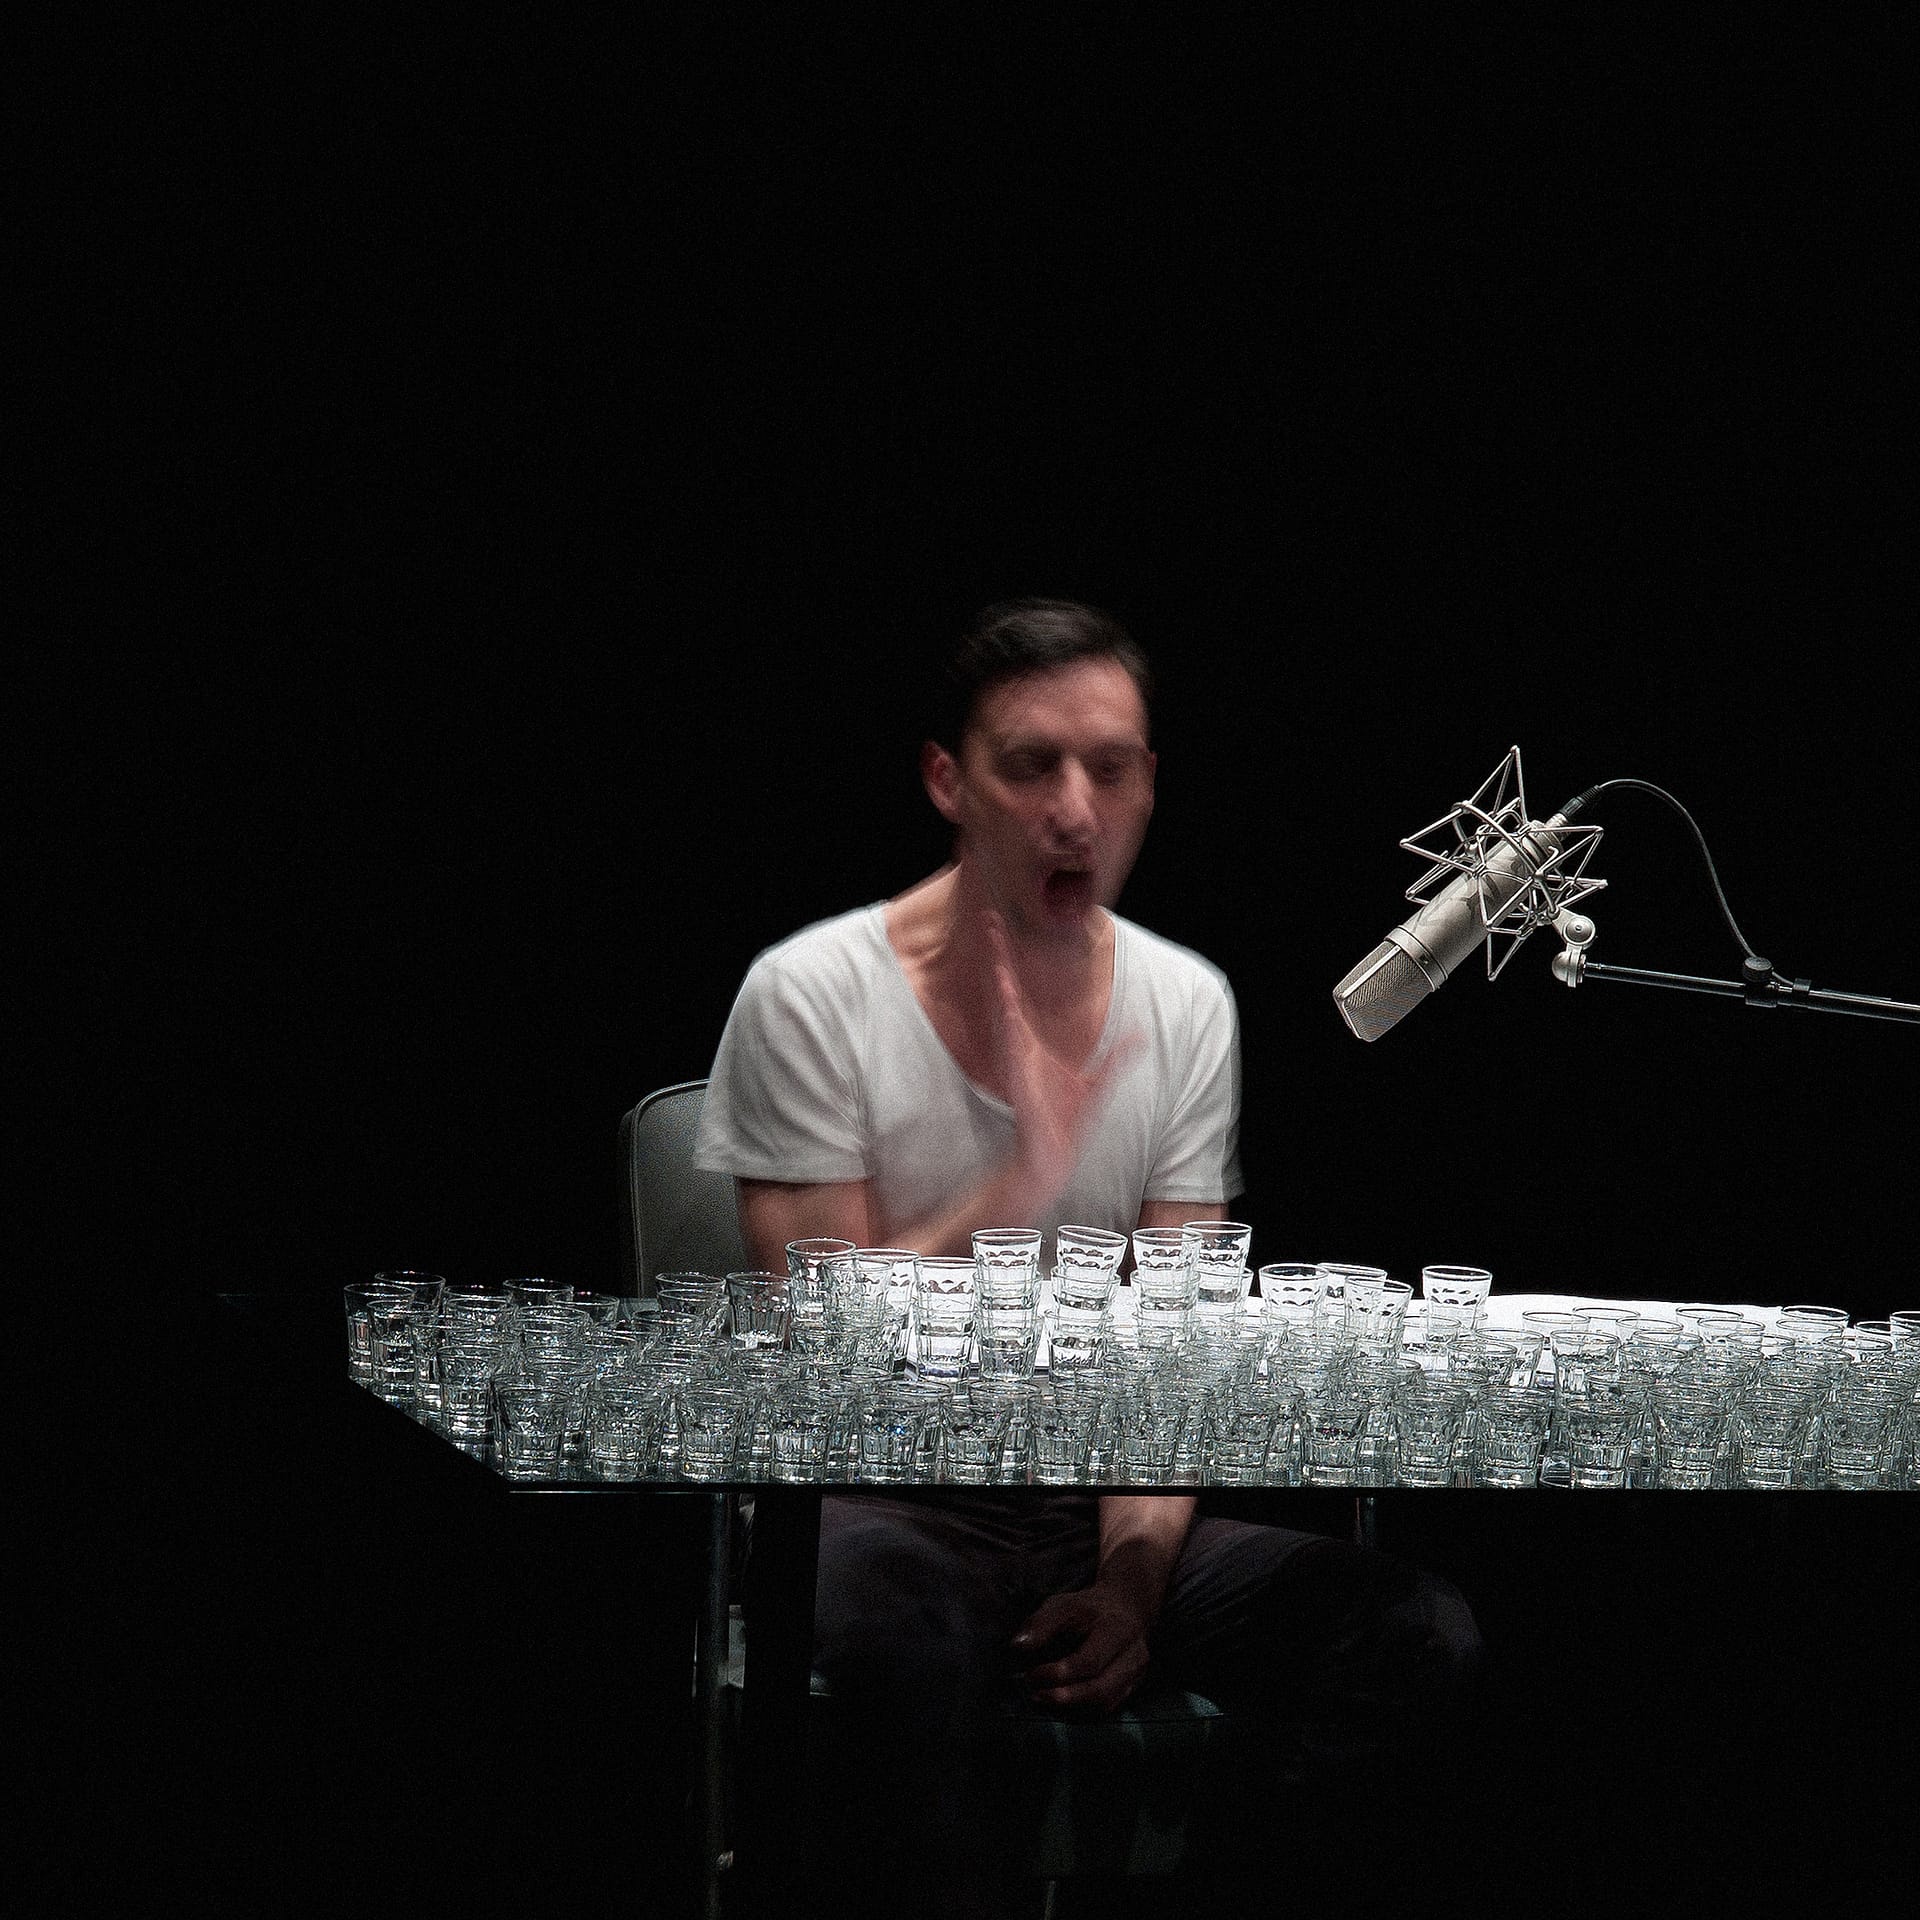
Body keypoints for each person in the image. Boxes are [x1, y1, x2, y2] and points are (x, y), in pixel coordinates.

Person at [694, 598, 1481, 1918]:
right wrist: (1018, 1179)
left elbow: (1172, 1361)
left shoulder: (1186, 1003)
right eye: (1031, 766)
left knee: (1411, 1634)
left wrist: (1131, 1587)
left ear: (1150, 785)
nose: (1076, 810)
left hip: (1088, 1512)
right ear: (948, 781)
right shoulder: (811, 993)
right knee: (910, 1644)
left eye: (1110, 769)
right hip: (880, 1505)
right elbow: (821, 1346)